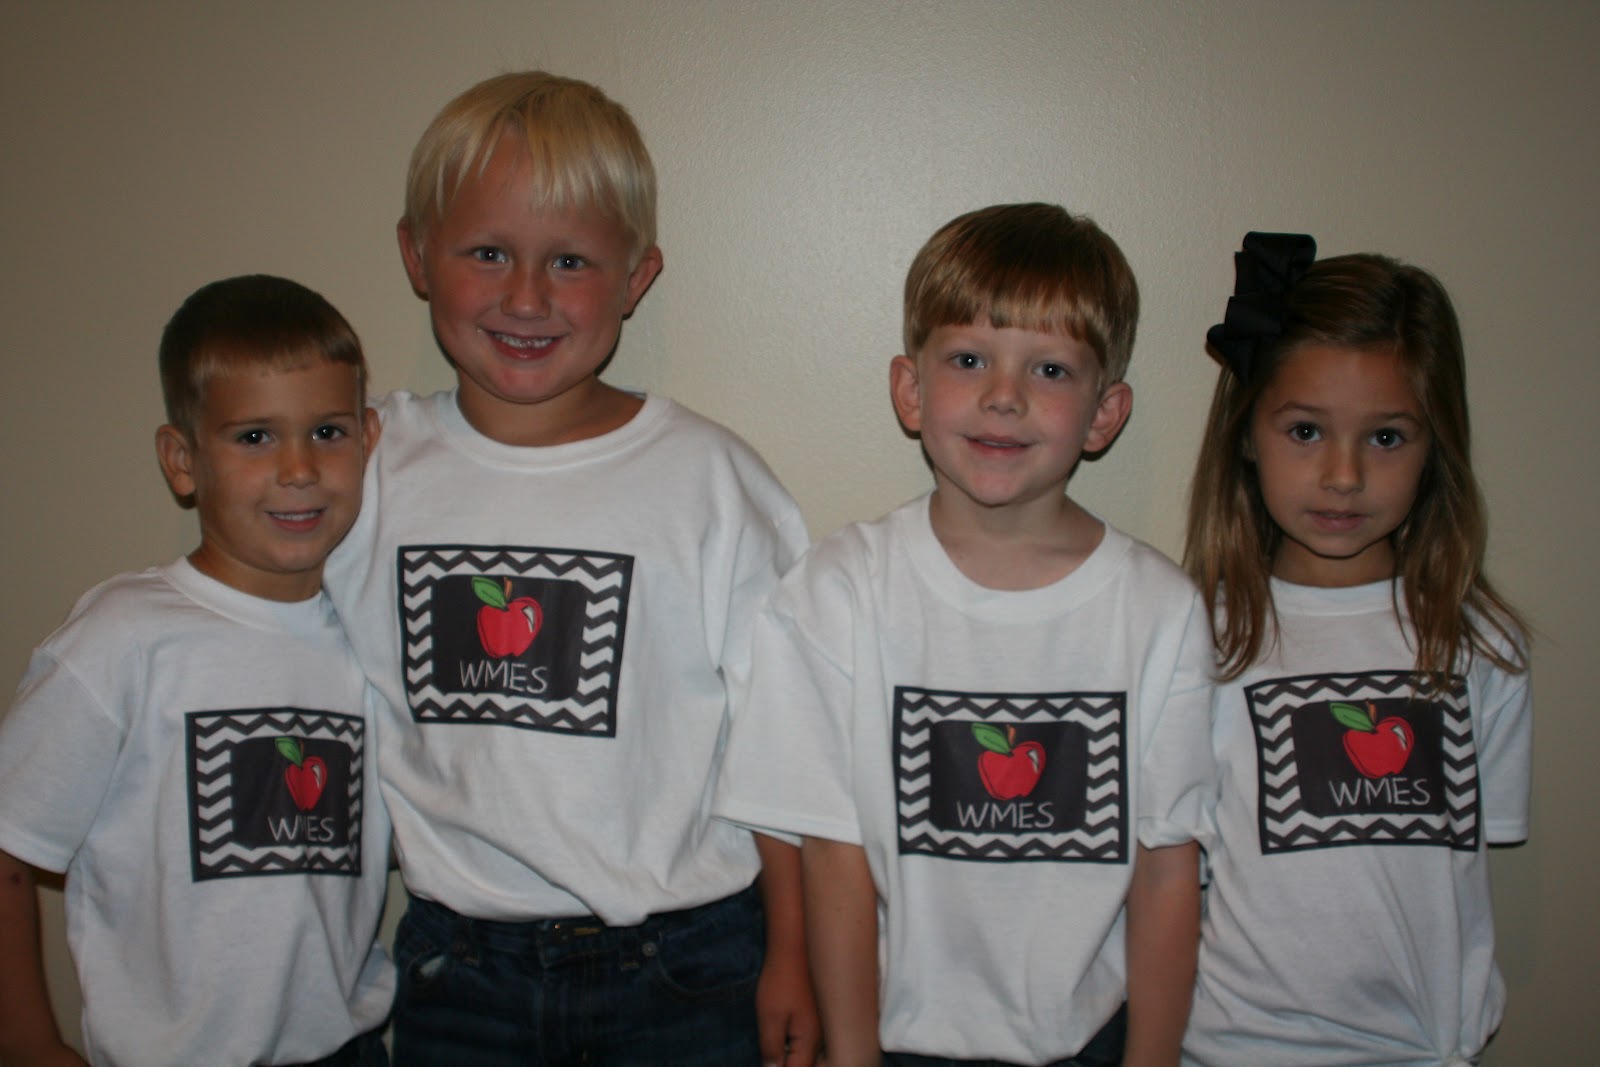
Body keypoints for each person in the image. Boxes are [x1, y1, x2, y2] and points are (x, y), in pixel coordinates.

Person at [320, 71, 817, 1066]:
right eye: (488, 252)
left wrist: (795, 953)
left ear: (636, 278)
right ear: (416, 256)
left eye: (571, 261)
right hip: (459, 974)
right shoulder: (362, 468)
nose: (526, 297)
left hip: (688, 965)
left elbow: (788, 746)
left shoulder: (709, 482)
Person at [715, 203, 1214, 1067]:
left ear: (1104, 413)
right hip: (897, 1042)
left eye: (1049, 368)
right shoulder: (841, 591)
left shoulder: (1159, 610)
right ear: (911, 390)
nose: (1003, 396)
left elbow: (1169, 871)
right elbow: (833, 855)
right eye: (969, 359)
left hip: (1092, 1042)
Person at [0, 275, 392, 1067]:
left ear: (369, 441)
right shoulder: (125, 637)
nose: (298, 468)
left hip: (344, 1050)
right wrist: (27, 1040)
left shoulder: (375, 640)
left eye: (327, 431)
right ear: (182, 461)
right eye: (254, 437)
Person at [1179, 233, 1532, 1067]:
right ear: (1248, 433)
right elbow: (1175, 878)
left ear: (1435, 447)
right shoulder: (1196, 640)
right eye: (1306, 429)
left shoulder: (1481, 646)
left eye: (1386, 438)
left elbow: (1468, 861)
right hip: (1235, 1049)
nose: (1343, 475)